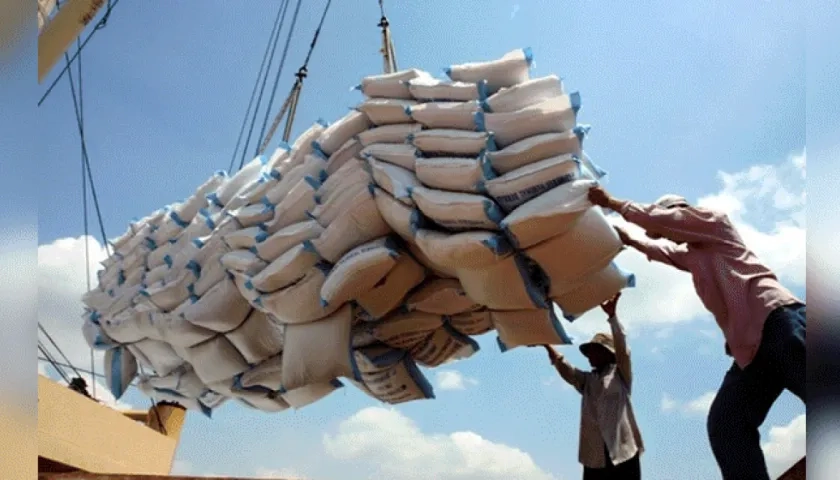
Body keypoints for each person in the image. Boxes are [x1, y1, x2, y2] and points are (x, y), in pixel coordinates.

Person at [587, 186, 805, 480]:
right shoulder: (693, 257)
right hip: (749, 353)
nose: (668, 235)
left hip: (778, 322)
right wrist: (633, 242)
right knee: (727, 424)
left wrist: (611, 203)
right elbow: (663, 251)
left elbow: (669, 223)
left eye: (669, 227)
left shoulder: (714, 222)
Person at [541, 293, 643, 480]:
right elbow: (567, 371)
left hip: (622, 450)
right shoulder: (588, 381)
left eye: (593, 351)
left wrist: (612, 317)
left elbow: (623, 351)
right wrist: (546, 345)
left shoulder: (621, 374)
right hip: (595, 455)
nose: (589, 357)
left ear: (607, 353)